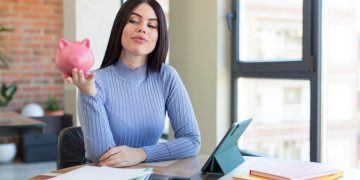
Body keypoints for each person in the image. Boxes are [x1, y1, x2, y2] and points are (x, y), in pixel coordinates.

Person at [64, 0, 201, 168]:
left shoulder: (167, 77)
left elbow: (192, 141)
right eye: (134, 21)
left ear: (160, 36)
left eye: (152, 25)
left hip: (150, 175)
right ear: (120, 28)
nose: (142, 28)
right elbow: (101, 158)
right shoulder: (93, 81)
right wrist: (89, 94)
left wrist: (141, 153)